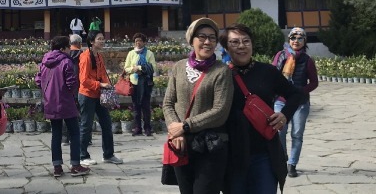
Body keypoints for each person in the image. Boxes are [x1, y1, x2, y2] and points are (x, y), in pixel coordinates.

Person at [221, 23, 306, 194]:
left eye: (246, 41)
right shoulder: (220, 75)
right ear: (226, 48)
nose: (241, 46)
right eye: (235, 42)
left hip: (263, 153)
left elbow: (295, 94)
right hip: (231, 155)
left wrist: (284, 115)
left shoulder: (267, 72)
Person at [162, 18, 233, 194]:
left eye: (212, 38)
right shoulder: (179, 67)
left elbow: (220, 111)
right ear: (191, 40)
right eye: (202, 37)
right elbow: (168, 103)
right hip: (182, 144)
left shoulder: (221, 71)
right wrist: (175, 131)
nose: (207, 42)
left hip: (210, 146)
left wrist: (185, 126)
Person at [36, 36, 91, 177]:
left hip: (50, 102)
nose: (69, 50)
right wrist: (73, 95)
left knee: (56, 134)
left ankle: (57, 167)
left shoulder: (45, 61)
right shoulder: (66, 61)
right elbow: (71, 82)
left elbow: (38, 80)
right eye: (68, 47)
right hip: (66, 101)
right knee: (74, 132)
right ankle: (75, 165)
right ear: (62, 48)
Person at [272, 27, 318, 178]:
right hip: (281, 101)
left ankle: (292, 164)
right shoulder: (280, 56)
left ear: (305, 41)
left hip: (300, 103)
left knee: (297, 134)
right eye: (293, 38)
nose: (296, 41)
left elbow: (314, 83)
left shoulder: (307, 60)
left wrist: (300, 91)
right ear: (289, 40)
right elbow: (272, 74)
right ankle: (282, 157)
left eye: (300, 38)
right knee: (280, 131)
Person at [78, 30, 123, 166]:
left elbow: (102, 74)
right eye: (99, 39)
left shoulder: (99, 56)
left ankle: (108, 154)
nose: (102, 41)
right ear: (92, 42)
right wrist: (100, 84)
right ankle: (82, 156)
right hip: (87, 95)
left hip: (99, 95)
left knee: (107, 124)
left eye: (103, 39)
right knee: (86, 125)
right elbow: (84, 80)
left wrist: (107, 85)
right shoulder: (86, 57)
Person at [124, 32, 157, 136]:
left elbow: (153, 67)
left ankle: (147, 127)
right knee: (136, 106)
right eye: (136, 41)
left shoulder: (149, 53)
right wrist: (133, 70)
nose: (138, 43)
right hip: (134, 83)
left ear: (144, 42)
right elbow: (126, 68)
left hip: (146, 83)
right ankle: (137, 128)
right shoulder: (131, 53)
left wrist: (140, 68)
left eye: (140, 41)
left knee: (146, 106)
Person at [62, 34, 83, 146]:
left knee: (67, 113)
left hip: (67, 88)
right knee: (81, 113)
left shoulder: (64, 56)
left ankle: (65, 138)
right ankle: (81, 137)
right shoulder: (83, 55)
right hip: (81, 88)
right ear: (79, 43)